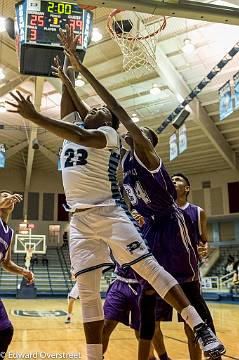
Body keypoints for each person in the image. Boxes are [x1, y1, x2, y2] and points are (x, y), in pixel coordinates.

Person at [6, 26, 225, 360]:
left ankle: (200, 327)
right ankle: (95, 356)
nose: (94, 111)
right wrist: (68, 75)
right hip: (78, 221)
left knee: (151, 269)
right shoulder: (79, 128)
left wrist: (36, 116)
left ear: (110, 123)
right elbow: (75, 114)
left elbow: (84, 128)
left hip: (108, 211)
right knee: (89, 293)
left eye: (101, 112)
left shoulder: (107, 135)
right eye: (90, 111)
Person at [152, 173, 221, 360]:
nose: (173, 181)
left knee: (192, 326)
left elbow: (203, 242)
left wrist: (204, 249)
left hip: (187, 275)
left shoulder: (197, 212)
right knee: (152, 323)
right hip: (161, 274)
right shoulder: (160, 210)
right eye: (171, 179)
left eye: (178, 180)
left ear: (187, 188)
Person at [0, 191, 34, 358]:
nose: (8, 198)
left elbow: (5, 263)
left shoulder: (10, 233)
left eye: (9, 196)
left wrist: (23, 271)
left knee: (5, 331)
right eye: (3, 195)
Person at [103, 263, 156, 360]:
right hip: (119, 282)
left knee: (141, 331)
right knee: (105, 325)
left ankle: (151, 358)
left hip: (142, 285)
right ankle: (96, 356)